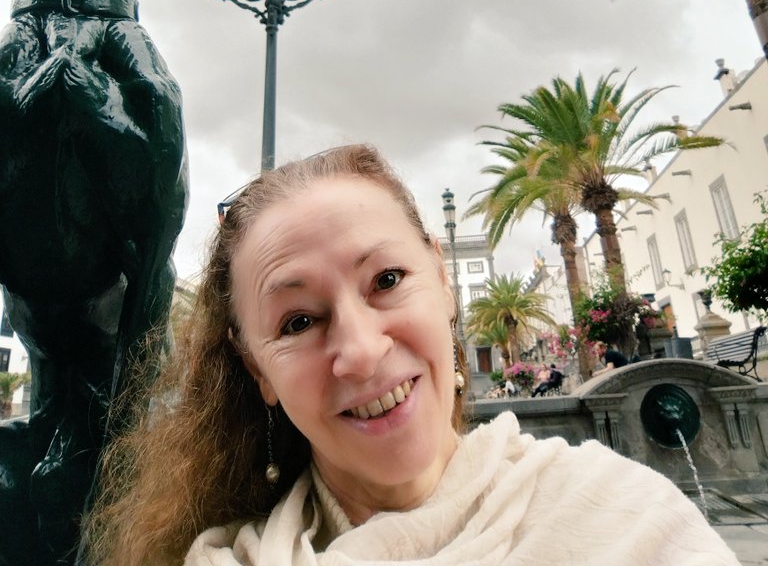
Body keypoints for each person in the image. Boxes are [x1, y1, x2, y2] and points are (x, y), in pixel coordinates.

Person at [83, 145, 739, 566]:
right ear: (258, 371)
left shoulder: (623, 519)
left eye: (388, 281)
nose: (362, 354)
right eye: (300, 320)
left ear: (443, 281)